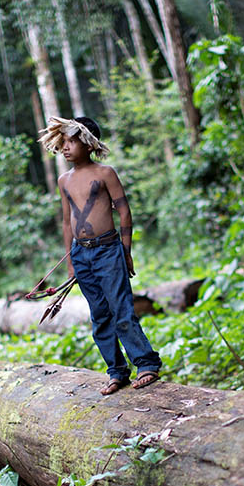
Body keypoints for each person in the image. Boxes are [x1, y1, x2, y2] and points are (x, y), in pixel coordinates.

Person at [39, 116, 161, 395]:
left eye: (72, 141)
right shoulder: (64, 180)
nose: (66, 148)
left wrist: (126, 251)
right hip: (82, 255)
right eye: (64, 142)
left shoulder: (105, 173)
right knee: (99, 315)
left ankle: (146, 363)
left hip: (108, 250)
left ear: (88, 143)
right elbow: (67, 221)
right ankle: (116, 371)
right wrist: (71, 262)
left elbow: (124, 211)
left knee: (121, 310)